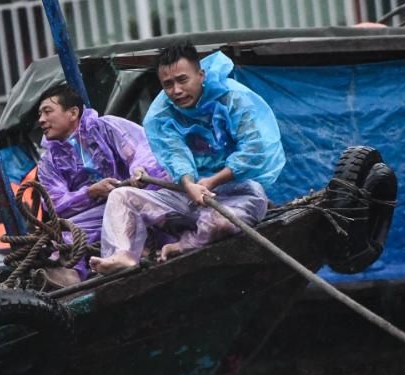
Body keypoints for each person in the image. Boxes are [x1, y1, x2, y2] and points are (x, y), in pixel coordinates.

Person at [89, 42, 285, 274]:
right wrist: (189, 184)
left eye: (183, 80)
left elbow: (253, 150)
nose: (177, 91)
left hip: (239, 192)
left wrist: (212, 182)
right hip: (189, 194)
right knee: (122, 195)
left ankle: (184, 245)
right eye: (168, 84)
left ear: (200, 75)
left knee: (220, 223)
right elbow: (176, 156)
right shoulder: (162, 113)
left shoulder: (232, 99)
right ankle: (122, 254)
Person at [35, 83, 168, 286]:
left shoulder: (107, 127)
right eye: (40, 114)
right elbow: (54, 203)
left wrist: (136, 174)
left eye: (47, 112)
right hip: (96, 214)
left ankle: (151, 249)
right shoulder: (48, 161)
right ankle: (72, 274)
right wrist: (90, 192)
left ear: (72, 113)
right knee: (68, 235)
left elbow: (143, 150)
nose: (41, 120)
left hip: (133, 198)